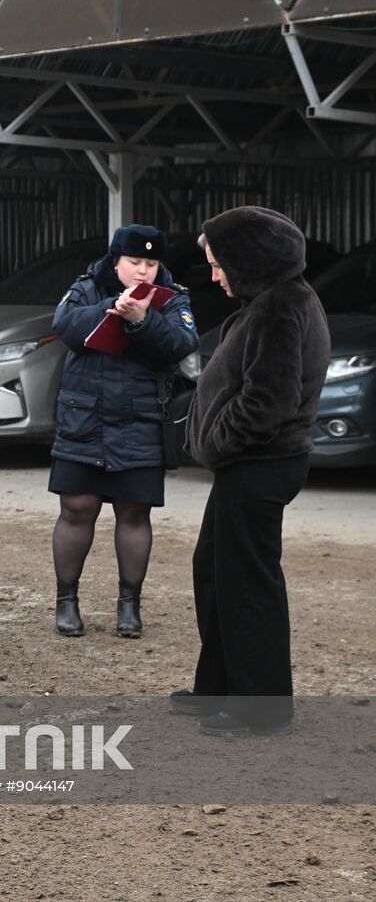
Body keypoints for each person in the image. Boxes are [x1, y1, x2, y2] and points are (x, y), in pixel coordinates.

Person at [174, 206, 330, 737]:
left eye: (219, 263)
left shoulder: (280, 308)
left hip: (259, 466)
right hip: (249, 467)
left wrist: (216, 444)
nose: (214, 274)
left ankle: (260, 709)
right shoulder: (271, 301)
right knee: (215, 571)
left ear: (249, 261)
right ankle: (216, 687)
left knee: (248, 588)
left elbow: (268, 400)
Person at [49, 225, 199, 638]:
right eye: (135, 262)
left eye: (151, 263)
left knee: (134, 512)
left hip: (141, 420)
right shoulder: (86, 288)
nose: (144, 271)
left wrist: (143, 320)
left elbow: (181, 344)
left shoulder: (173, 297)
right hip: (85, 418)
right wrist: (110, 309)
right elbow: (64, 326)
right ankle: (67, 602)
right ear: (115, 261)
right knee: (77, 509)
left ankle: (129, 607)